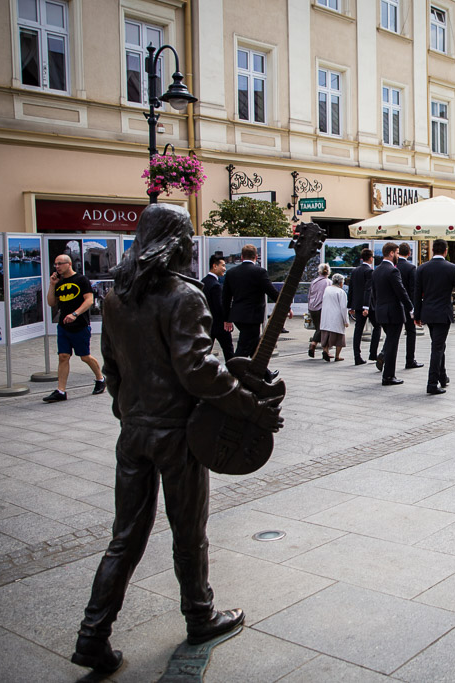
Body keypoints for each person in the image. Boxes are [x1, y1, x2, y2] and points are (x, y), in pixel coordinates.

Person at [71, 204, 283, 675]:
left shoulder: (117, 296)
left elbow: (113, 368)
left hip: (134, 431)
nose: (191, 243)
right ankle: (200, 616)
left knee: (124, 537)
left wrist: (128, 416)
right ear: (172, 241)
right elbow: (199, 371)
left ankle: (92, 636)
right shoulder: (182, 295)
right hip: (177, 435)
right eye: (187, 234)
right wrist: (251, 408)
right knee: (189, 533)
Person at [43, 253, 105, 402]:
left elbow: (89, 300)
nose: (57, 267)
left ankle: (100, 379)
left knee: (84, 356)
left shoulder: (81, 280)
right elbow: (51, 303)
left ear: (68, 264)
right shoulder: (58, 282)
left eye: (59, 264)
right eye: (55, 264)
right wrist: (52, 285)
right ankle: (61, 391)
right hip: (63, 327)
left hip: (80, 325)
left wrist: (75, 314)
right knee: (63, 356)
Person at [413, 239, 455, 394]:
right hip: (443, 312)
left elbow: (416, 294)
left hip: (428, 313)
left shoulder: (422, 269)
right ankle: (432, 383)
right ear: (445, 251)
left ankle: (442, 377)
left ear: (432, 250)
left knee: (439, 344)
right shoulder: (451, 268)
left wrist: (417, 314)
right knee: (437, 347)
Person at [222, 244, 289, 359]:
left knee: (254, 345)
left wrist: (226, 319)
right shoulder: (259, 272)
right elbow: (271, 292)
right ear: (256, 256)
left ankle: (266, 375)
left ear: (242, 257)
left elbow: (226, 297)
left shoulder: (231, 272)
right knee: (243, 348)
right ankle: (232, 371)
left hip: (237, 315)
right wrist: (286, 307)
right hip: (253, 316)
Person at [371, 242, 413, 386]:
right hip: (393, 313)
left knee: (389, 341)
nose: (397, 255)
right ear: (391, 253)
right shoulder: (393, 271)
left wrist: (378, 307)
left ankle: (387, 373)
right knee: (392, 343)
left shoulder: (376, 271)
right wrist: (411, 308)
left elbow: (374, 294)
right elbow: (401, 292)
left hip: (381, 312)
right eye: (396, 252)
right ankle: (388, 376)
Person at [347, 248, 379, 365]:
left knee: (358, 330)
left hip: (356, 304)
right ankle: (373, 353)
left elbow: (351, 288)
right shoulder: (369, 271)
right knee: (377, 326)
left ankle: (357, 356)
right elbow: (368, 289)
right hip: (368, 305)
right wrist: (366, 306)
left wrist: (350, 306)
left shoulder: (355, 271)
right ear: (370, 258)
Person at [202, 255, 234, 359]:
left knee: (205, 351)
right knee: (228, 350)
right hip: (219, 324)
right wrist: (227, 319)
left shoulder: (203, 282)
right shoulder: (215, 285)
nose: (224, 268)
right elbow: (220, 306)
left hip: (207, 324)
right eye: (223, 265)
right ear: (214, 266)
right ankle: (233, 372)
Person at [396, 243, 422, 370]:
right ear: (409, 253)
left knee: (393, 333)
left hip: (394, 304)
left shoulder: (393, 266)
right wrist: (415, 308)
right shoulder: (411, 268)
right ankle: (410, 359)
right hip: (407, 305)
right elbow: (413, 290)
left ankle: (384, 353)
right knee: (411, 331)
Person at [319, 273, 349, 361]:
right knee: (339, 338)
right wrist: (346, 321)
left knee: (326, 336)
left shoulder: (327, 289)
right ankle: (337, 356)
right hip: (336, 317)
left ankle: (325, 351)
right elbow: (343, 307)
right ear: (341, 283)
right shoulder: (341, 292)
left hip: (325, 315)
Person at [306, 263, 331, 358]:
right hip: (322, 307)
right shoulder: (328, 282)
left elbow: (309, 295)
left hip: (312, 307)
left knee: (318, 328)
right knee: (323, 328)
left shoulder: (314, 281)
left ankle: (319, 347)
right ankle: (314, 344)